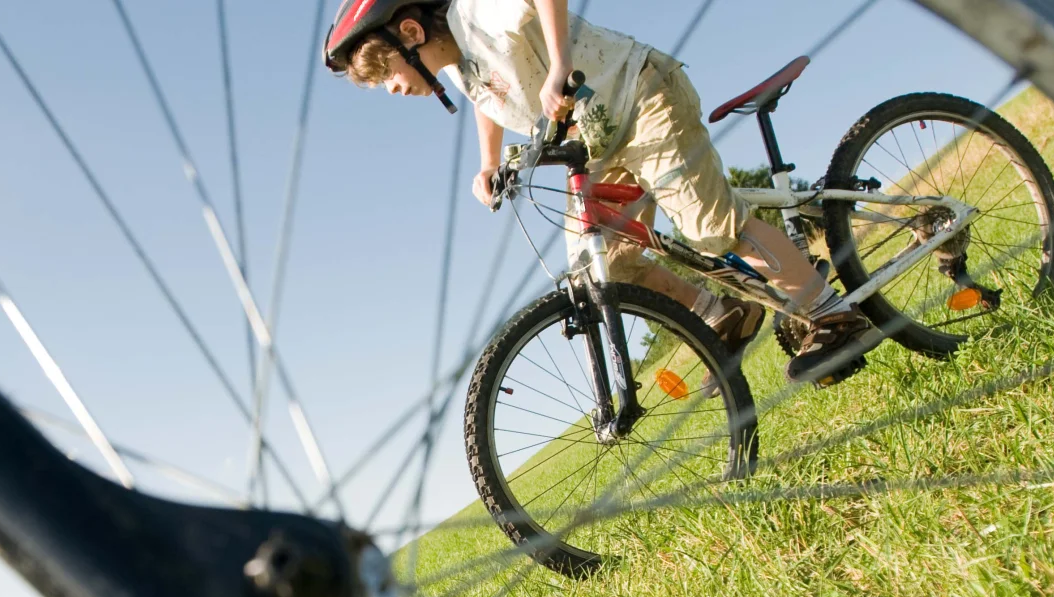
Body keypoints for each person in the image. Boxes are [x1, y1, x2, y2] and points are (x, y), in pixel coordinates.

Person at [323, 0, 870, 386]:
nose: (392, 89)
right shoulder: (462, 71)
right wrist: (489, 163)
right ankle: (721, 311)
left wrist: (559, 64)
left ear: (412, 35)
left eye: (386, 74)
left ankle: (834, 316)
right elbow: (485, 102)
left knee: (709, 227)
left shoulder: (475, 13)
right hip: (600, 139)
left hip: (642, 96)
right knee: (601, 260)